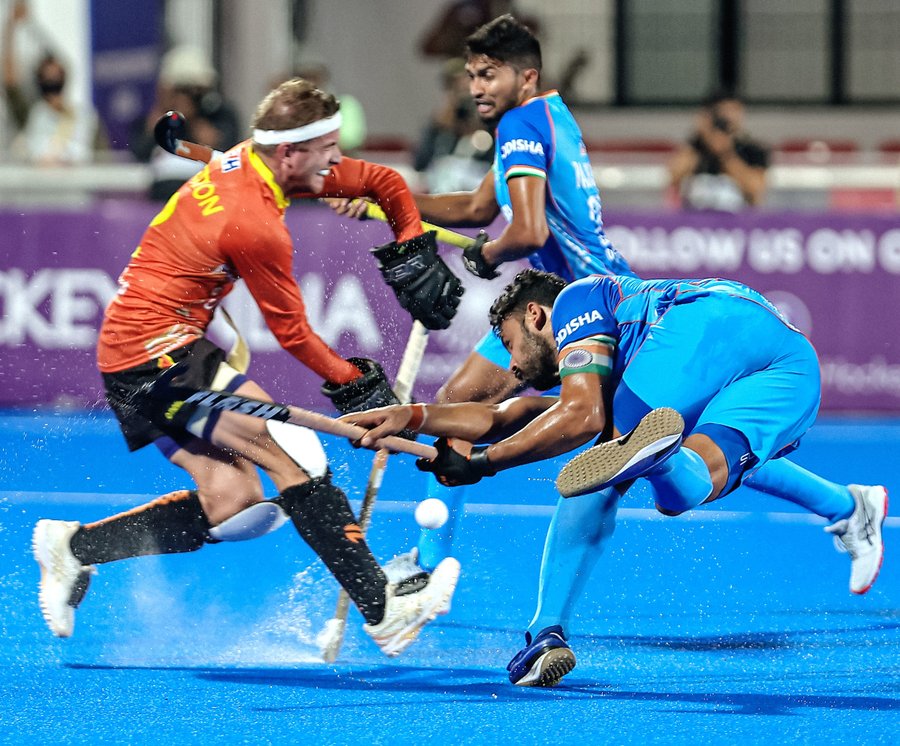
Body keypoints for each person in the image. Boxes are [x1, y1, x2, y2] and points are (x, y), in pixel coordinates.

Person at [31, 78, 464, 658]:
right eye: (327, 149)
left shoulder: (259, 160)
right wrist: (354, 383)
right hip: (155, 355)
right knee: (292, 457)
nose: (336, 159)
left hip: (137, 351)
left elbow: (384, 181)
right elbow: (293, 335)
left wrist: (412, 246)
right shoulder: (254, 223)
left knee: (232, 500)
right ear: (289, 153)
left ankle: (74, 548)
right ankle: (382, 609)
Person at [343, 268, 888, 685]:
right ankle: (664, 458)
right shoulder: (608, 358)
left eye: (509, 344)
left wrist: (484, 465)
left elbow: (578, 418)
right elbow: (510, 415)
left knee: (602, 460)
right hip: (792, 369)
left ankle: (546, 631)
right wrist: (409, 416)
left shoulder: (578, 300)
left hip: (711, 322)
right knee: (687, 486)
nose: (510, 366)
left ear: (536, 316)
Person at [331, 14, 635, 584]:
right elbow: (476, 208)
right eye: (472, 75)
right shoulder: (547, 116)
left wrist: (488, 255)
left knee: (657, 434)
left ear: (527, 76)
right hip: (573, 299)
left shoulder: (520, 124)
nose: (476, 87)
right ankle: (426, 567)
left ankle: (428, 567)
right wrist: (385, 203)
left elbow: (527, 231)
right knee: (459, 402)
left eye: (489, 74)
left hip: (588, 307)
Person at [128, 45, 242, 200]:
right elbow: (140, 153)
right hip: (165, 193)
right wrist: (157, 126)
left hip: (209, 193)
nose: (187, 96)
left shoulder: (220, 114)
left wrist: (194, 120)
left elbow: (229, 152)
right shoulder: (159, 119)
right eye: (181, 90)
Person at [3, 0, 99, 165]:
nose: (52, 75)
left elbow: (103, 160)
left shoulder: (83, 117)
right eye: (47, 73)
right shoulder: (31, 112)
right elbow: (10, 79)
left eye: (56, 72)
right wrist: (11, 27)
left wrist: (31, 25)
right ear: (39, 78)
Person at [667, 90, 769, 211]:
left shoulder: (753, 150)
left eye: (735, 110)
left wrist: (726, 154)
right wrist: (701, 137)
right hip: (695, 218)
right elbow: (674, 176)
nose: (729, 117)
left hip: (737, 219)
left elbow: (755, 189)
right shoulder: (696, 149)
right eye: (723, 111)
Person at [413, 57, 493, 192]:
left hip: (479, 182)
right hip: (441, 183)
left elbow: (492, 163)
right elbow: (420, 164)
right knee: (447, 170)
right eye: (457, 90)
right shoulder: (439, 123)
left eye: (466, 91)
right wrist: (442, 126)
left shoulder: (489, 121)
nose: (463, 99)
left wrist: (478, 125)